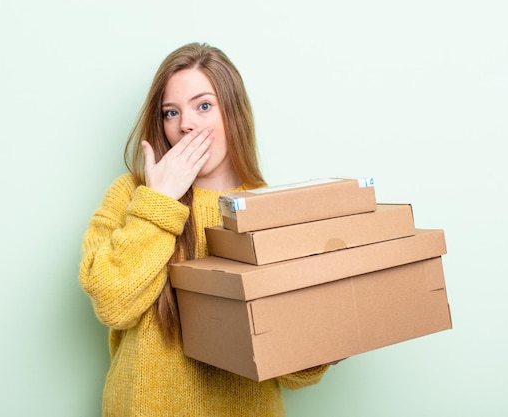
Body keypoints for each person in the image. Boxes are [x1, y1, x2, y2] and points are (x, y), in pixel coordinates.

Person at [79, 42, 333, 417]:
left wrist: (327, 338)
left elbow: (295, 373)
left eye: (203, 106)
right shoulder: (132, 195)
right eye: (171, 112)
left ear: (233, 113)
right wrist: (160, 200)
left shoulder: (272, 209)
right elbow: (112, 302)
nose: (186, 124)